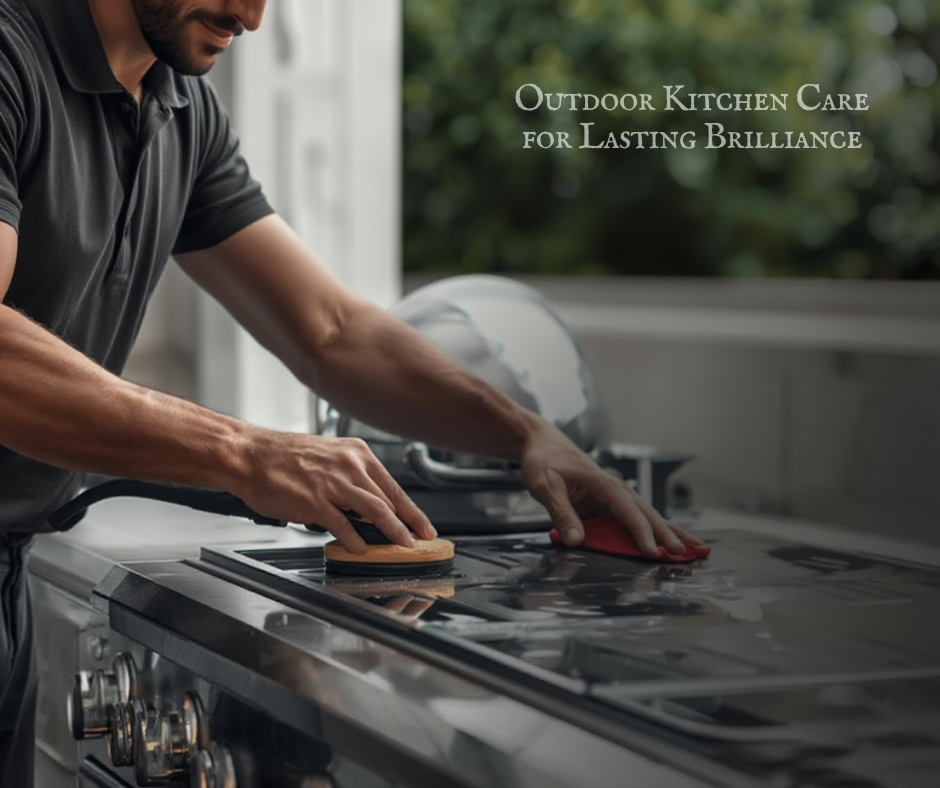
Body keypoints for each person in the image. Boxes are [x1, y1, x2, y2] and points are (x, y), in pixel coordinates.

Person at [0, 0, 705, 784]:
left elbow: (331, 329)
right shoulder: (10, 52)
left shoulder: (180, 108)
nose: (251, 16)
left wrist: (523, 433)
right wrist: (245, 452)